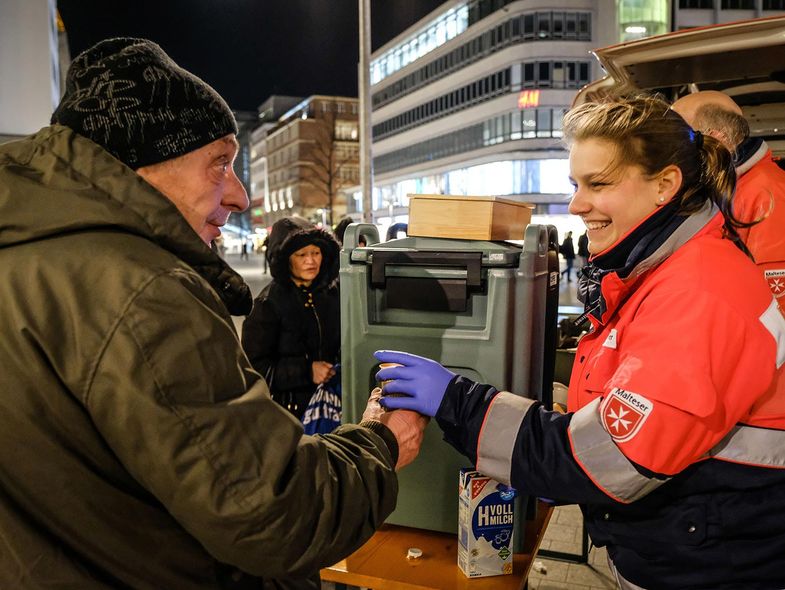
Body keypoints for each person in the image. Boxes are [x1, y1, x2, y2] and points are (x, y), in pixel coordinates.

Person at [0, 37, 427, 589]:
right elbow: (278, 514)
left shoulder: (24, 253)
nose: (239, 196)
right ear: (144, 164)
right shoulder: (143, 291)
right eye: (219, 164)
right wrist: (380, 441)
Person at [374, 96, 785, 589]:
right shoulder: (662, 271)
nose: (576, 204)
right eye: (575, 184)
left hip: (717, 568)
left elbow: (610, 460)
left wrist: (460, 402)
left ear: (665, 185)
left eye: (599, 183)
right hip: (691, 545)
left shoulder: (699, 291)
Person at [671, 90, 785, 314]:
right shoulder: (728, 191)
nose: (671, 151)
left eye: (679, 139)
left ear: (716, 138)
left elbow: (774, 308)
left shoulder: (768, 195)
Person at [242, 216, 341, 421]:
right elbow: (253, 369)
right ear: (286, 259)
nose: (311, 261)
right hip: (290, 415)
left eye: (316, 252)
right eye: (301, 254)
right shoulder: (267, 304)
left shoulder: (334, 295)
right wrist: (307, 372)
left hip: (334, 407)